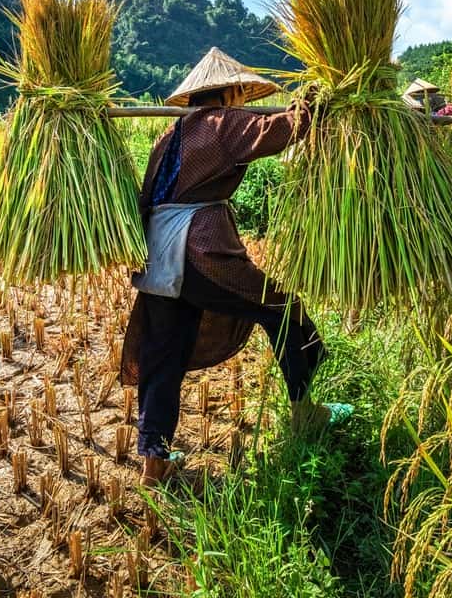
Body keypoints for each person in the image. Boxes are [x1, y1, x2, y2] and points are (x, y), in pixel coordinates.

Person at [120, 47, 352, 487]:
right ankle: (307, 411)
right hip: (199, 251)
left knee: (163, 353)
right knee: (285, 312)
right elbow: (284, 129)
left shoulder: (168, 136)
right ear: (228, 94)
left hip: (158, 255)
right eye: (239, 95)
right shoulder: (223, 125)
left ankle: (154, 460)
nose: (242, 101)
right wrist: (317, 99)